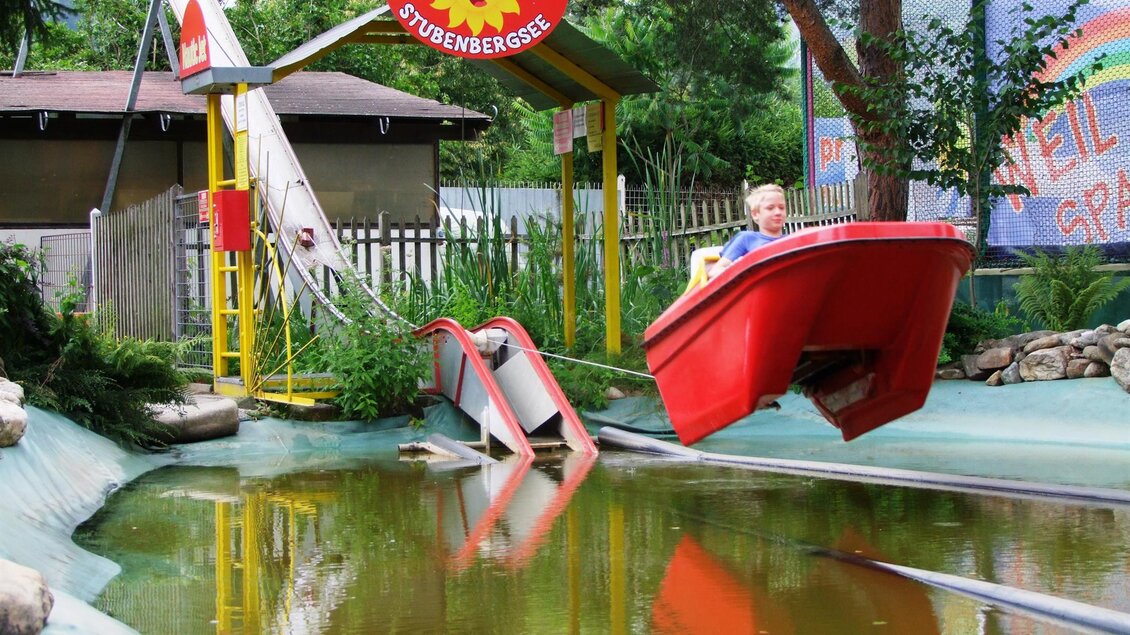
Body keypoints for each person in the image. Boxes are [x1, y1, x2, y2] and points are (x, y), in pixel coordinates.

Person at [707, 184, 788, 279]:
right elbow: (715, 271)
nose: (778, 212)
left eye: (781, 208)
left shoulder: (791, 240)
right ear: (755, 214)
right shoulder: (747, 239)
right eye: (770, 208)